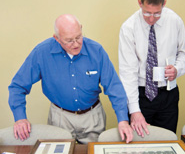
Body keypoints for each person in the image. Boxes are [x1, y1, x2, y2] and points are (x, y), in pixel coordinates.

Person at [8, 14, 133, 144]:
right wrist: (20, 118)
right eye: (69, 40)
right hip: (60, 117)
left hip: (92, 117)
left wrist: (123, 120)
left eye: (78, 37)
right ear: (56, 38)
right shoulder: (42, 52)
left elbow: (114, 87)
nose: (76, 44)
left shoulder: (96, 51)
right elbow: (17, 86)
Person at [119, 0, 185, 136]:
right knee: (138, 146)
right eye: (146, 12)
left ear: (164, 4)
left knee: (166, 142)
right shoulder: (129, 28)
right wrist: (134, 110)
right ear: (140, 3)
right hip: (140, 94)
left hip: (168, 93)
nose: (151, 18)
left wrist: (177, 69)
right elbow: (128, 72)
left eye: (157, 13)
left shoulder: (175, 21)